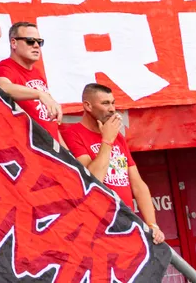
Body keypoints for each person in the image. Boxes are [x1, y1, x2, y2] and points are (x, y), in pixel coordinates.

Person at [62, 83, 165, 243]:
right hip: (98, 227)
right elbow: (93, 180)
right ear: (87, 105)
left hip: (125, 221)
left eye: (113, 103)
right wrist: (107, 141)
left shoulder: (118, 137)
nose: (112, 109)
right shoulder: (72, 134)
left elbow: (137, 184)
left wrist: (152, 224)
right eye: (105, 103)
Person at [0, 21, 61, 141]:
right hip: (29, 146)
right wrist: (39, 94)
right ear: (14, 43)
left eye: (39, 42)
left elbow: (52, 122)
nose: (36, 46)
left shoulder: (37, 72)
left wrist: (67, 153)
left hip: (50, 147)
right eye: (30, 41)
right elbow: (2, 87)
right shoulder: (4, 68)